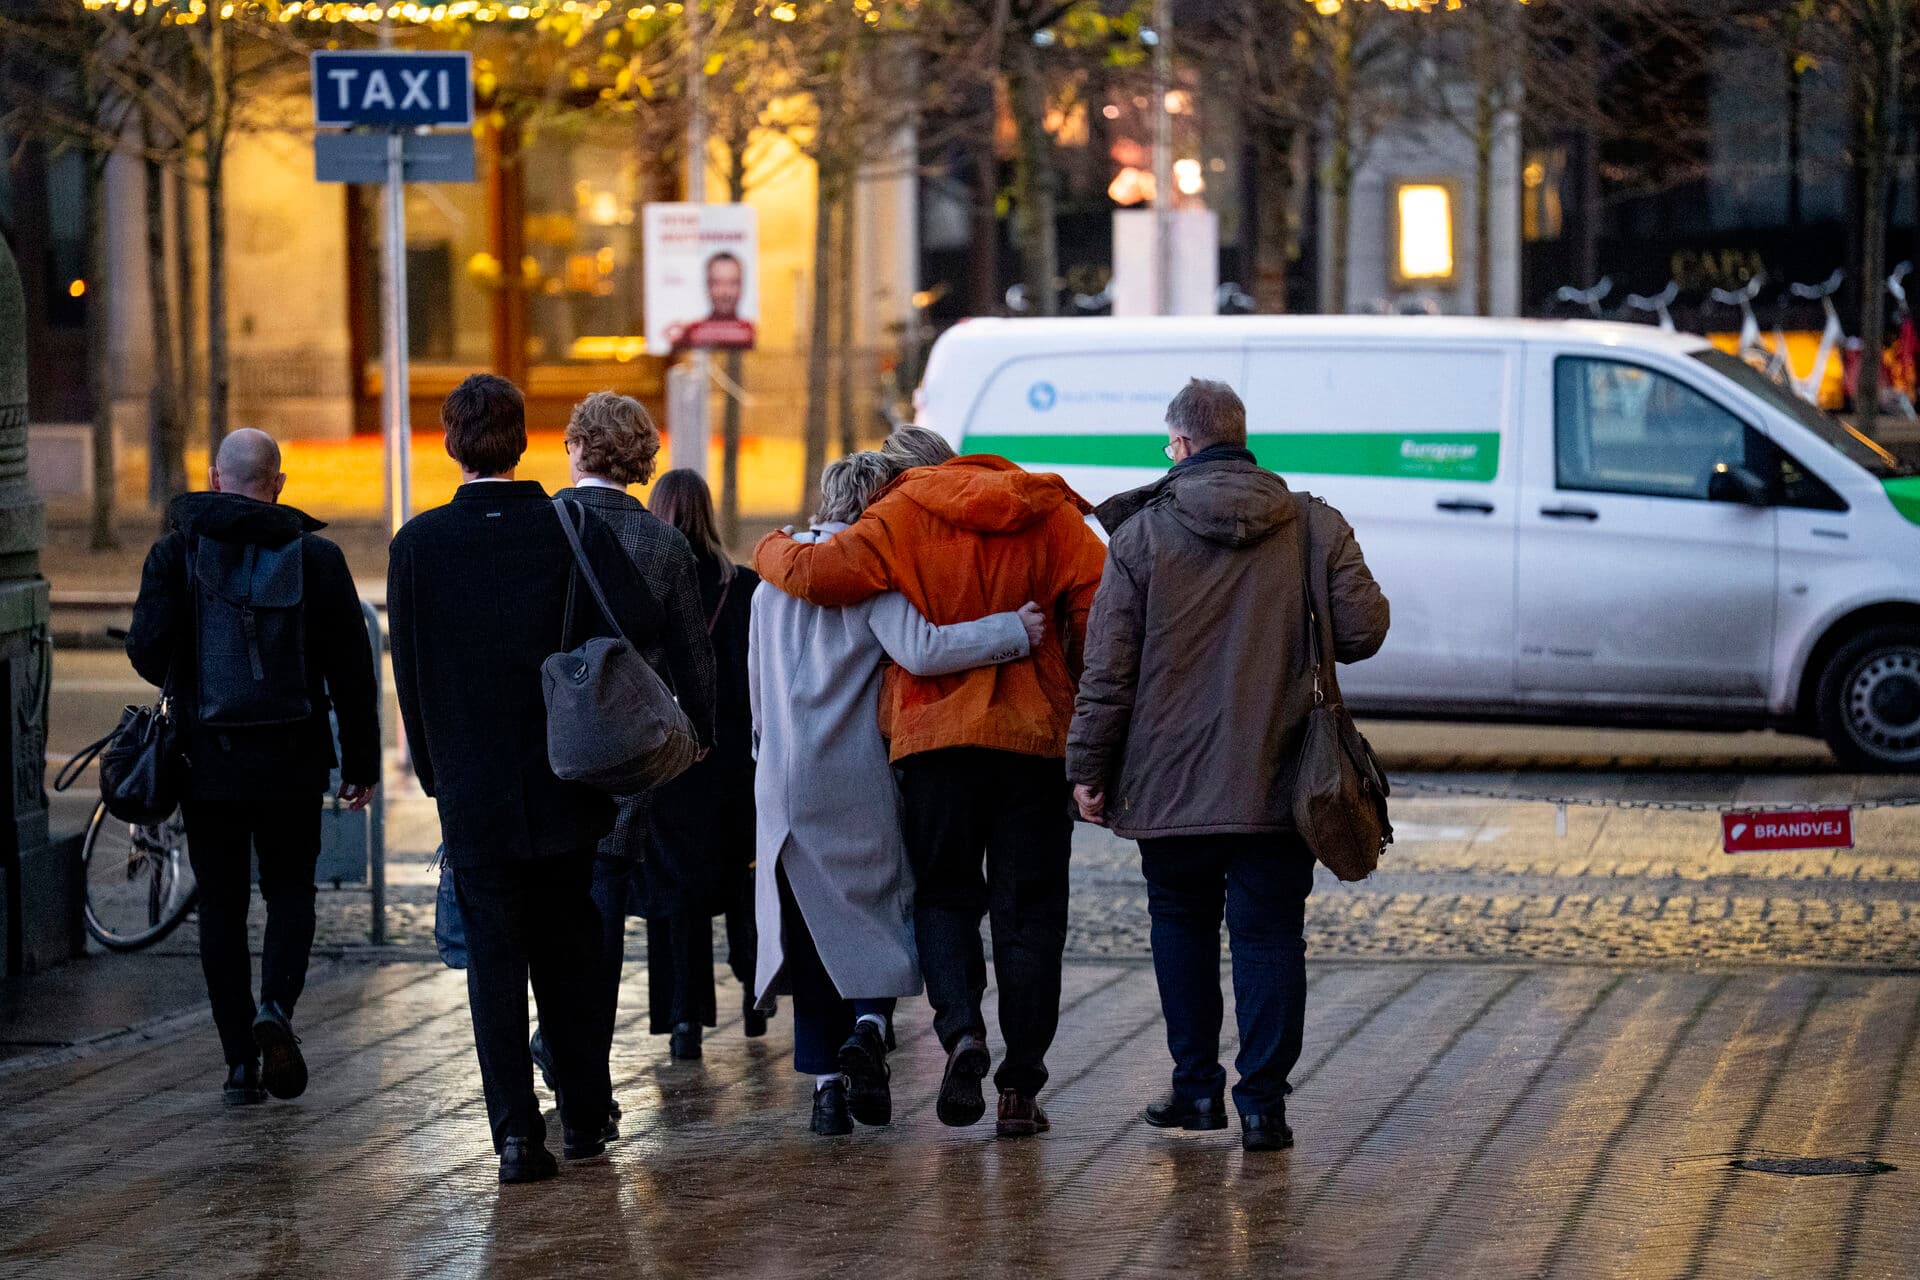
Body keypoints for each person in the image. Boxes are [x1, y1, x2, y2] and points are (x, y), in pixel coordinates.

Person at [388, 374, 707, 1184]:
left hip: (473, 786)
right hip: (569, 777)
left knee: (493, 960)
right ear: (525, 439)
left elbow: (411, 674)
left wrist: (436, 773)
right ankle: (585, 1119)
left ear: (452, 444)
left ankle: (514, 1136)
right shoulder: (566, 531)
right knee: (570, 948)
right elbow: (633, 625)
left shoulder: (417, 546)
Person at [753, 429, 1107, 1138]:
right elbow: (1100, 621)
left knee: (943, 896)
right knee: (1030, 915)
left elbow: (819, 576)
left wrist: (766, 549)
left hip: (934, 744)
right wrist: (1088, 725)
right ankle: (1020, 1087)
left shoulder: (898, 517)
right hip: (1033, 746)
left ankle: (962, 1032)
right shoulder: (1051, 512)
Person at [1066, 379, 1390, 1153]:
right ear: (1241, 437)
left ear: (1179, 443)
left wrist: (1086, 766)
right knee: (1271, 936)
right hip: (1281, 780)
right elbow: (1365, 629)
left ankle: (1196, 1091)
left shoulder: (1141, 538)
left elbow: (1107, 671)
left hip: (1167, 779)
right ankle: (1264, 1105)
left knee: (1179, 924)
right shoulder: (1313, 524)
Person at [127, 428, 379, 1107]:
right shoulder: (317, 557)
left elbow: (148, 654)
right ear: (279, 483)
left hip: (208, 760)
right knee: (292, 891)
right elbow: (354, 671)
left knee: (221, 906)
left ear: (214, 478)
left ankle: (240, 1062)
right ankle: (276, 1007)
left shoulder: (177, 552)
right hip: (293, 759)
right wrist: (361, 762)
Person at [542, 396, 718, 1097]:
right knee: (608, 892)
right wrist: (700, 733)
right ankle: (585, 1060)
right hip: (629, 745)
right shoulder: (667, 545)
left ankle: (553, 1031)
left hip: (554, 731)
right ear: (642, 458)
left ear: (578, 448)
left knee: (552, 893)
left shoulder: (545, 526)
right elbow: (692, 654)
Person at [644, 468, 760, 1059]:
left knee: (675, 890)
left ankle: (684, 1018)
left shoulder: (648, 582)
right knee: (741, 875)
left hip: (671, 759)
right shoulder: (743, 586)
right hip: (733, 758)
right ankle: (754, 991)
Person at [665, 252, 755, 349]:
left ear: (742, 286)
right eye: (717, 283)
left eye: (732, 283)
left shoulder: (753, 331)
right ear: (707, 285)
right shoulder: (689, 333)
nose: (725, 292)